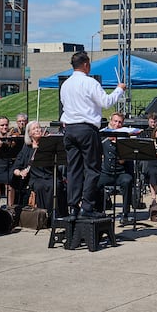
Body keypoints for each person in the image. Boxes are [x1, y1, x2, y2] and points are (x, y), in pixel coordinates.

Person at [60, 51, 126, 220]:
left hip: (70, 129)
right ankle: (87, 206)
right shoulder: (90, 82)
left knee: (73, 169)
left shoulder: (65, 84)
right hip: (86, 129)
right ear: (86, 64)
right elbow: (106, 102)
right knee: (92, 169)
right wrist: (119, 90)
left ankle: (73, 206)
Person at [12, 121, 68, 219]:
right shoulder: (27, 148)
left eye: (39, 127)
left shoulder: (48, 145)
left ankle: (58, 215)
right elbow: (16, 167)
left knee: (56, 185)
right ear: (29, 133)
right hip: (36, 178)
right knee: (41, 186)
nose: (38, 130)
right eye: (34, 128)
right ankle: (44, 216)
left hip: (51, 175)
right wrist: (21, 172)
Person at [97, 112, 135, 222]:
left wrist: (118, 143)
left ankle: (126, 214)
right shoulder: (103, 135)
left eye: (120, 122)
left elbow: (124, 160)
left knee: (127, 181)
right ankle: (98, 211)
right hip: (106, 172)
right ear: (111, 121)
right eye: (115, 121)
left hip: (121, 172)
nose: (117, 124)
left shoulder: (125, 137)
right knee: (95, 182)